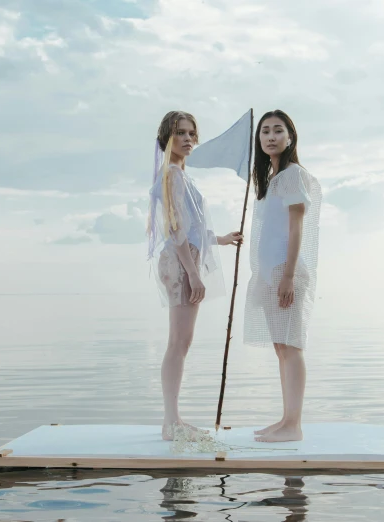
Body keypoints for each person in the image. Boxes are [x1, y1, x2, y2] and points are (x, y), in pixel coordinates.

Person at [147, 111, 243, 441]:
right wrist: (193, 274)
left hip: (183, 260)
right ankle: (171, 422)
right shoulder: (171, 176)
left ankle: (172, 420)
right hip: (179, 264)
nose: (188, 139)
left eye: (191, 133)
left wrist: (221, 240)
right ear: (166, 138)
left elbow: (193, 227)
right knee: (178, 343)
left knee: (181, 342)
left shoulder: (180, 176)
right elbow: (175, 229)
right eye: (180, 133)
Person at [243, 110, 322, 443]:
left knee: (291, 347)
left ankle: (293, 425)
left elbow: (296, 226)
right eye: (264, 132)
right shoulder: (274, 179)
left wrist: (288, 275)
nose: (270, 137)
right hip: (272, 273)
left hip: (285, 272)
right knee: (281, 347)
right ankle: (286, 419)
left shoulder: (291, 175)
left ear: (290, 137)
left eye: (278, 131)